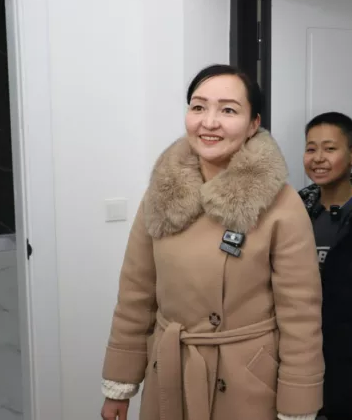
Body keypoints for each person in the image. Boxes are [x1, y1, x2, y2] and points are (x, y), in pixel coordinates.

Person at [100, 64, 324, 420]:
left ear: (253, 124)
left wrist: (298, 406)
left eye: (228, 110)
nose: (209, 122)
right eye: (198, 107)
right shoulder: (160, 194)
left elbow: (301, 317)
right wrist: (120, 383)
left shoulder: (281, 205)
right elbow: (135, 295)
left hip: (246, 381)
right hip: (170, 373)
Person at [299, 112, 352, 420]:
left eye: (329, 148)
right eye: (311, 149)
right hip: (304, 348)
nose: (318, 158)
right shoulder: (295, 212)